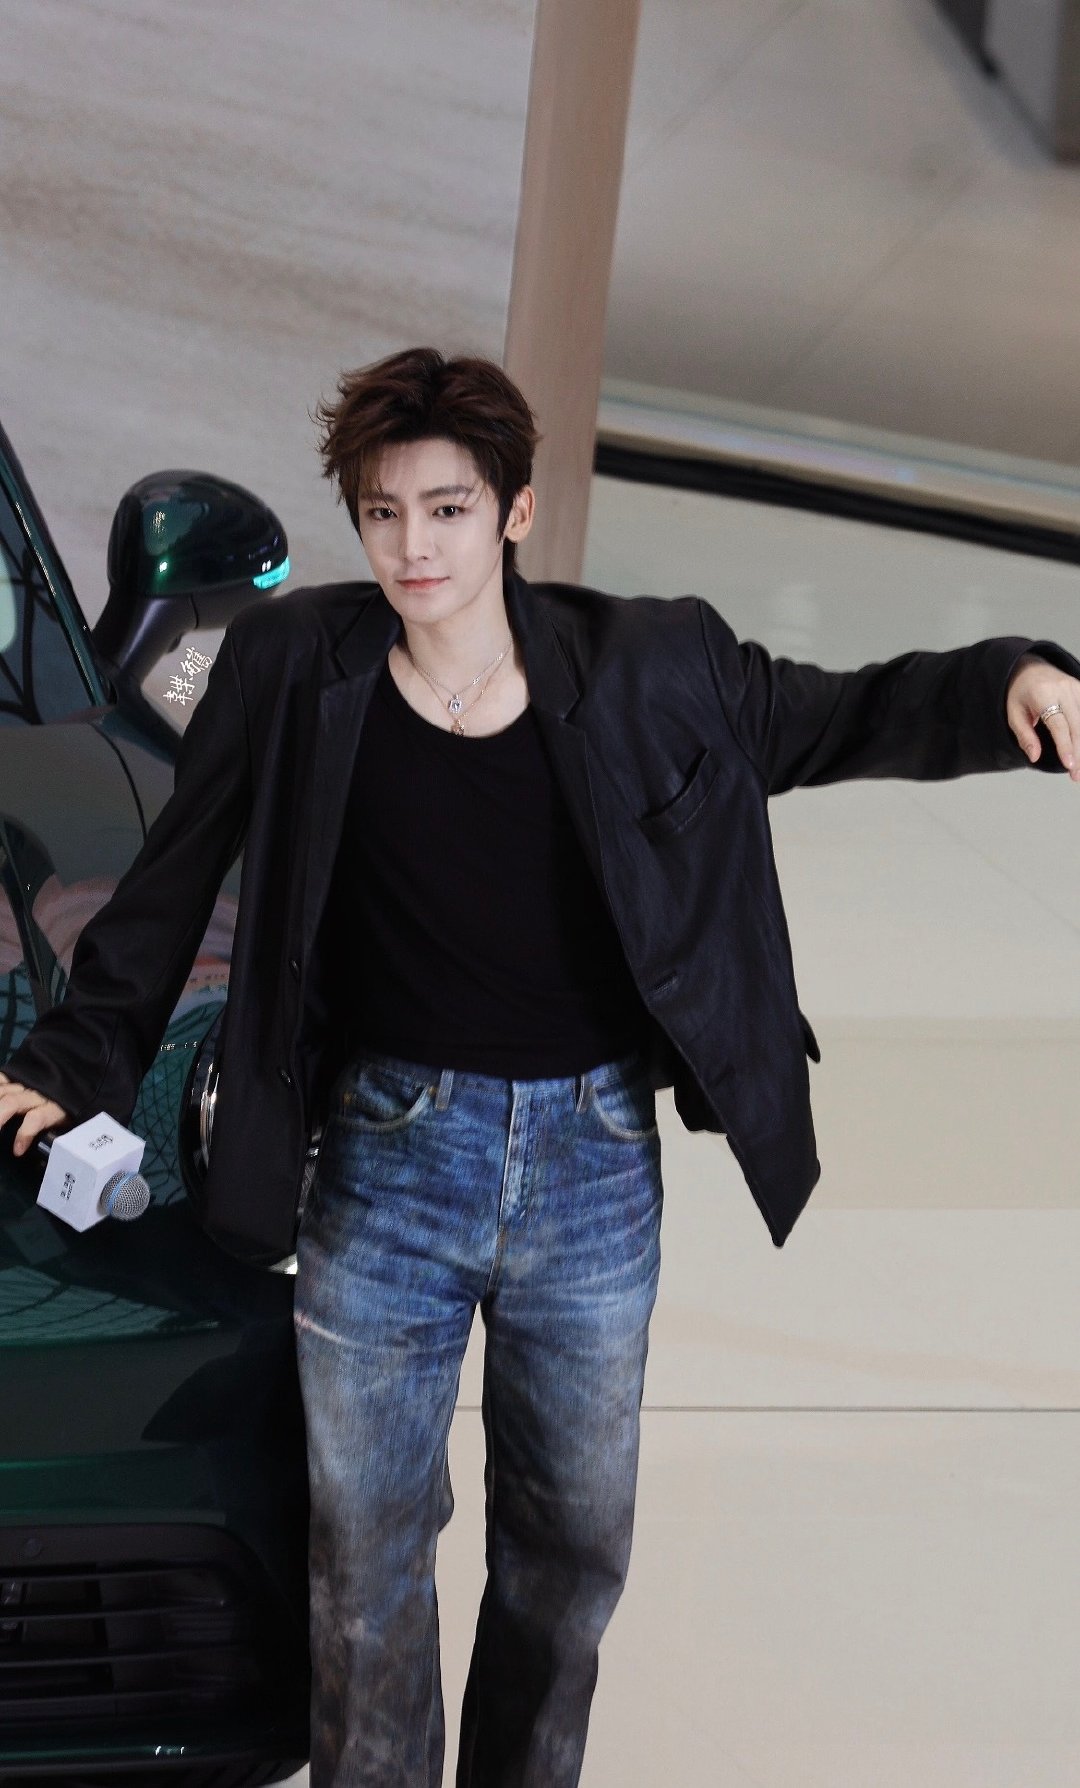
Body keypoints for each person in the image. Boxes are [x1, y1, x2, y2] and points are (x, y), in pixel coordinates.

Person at [2, 346, 1079, 1787]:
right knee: (365, 1559)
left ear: (513, 512)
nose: (413, 548)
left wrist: (1008, 677)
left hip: (591, 1173)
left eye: (447, 511)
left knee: (570, 1556)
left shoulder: (647, 664)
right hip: (383, 1167)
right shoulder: (295, 668)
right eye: (383, 514)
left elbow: (836, 713)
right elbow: (168, 882)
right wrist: (70, 1060)